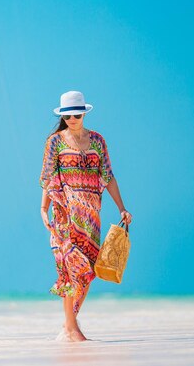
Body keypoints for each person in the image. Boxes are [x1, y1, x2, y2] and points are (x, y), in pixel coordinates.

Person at [39, 90, 132, 342]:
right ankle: (72, 328)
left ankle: (69, 323)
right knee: (71, 270)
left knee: (88, 271)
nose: (72, 118)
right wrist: (43, 208)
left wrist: (121, 207)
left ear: (84, 113)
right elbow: (49, 178)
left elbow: (108, 175)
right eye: (67, 115)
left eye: (76, 114)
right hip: (66, 215)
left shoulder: (98, 141)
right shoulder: (55, 142)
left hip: (91, 216)